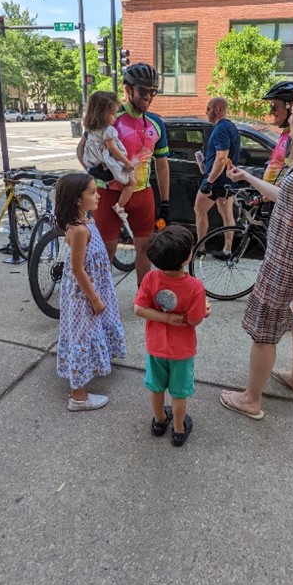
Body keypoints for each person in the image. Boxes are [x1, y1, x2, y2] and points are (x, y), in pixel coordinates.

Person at [219, 87, 293, 420]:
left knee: (264, 332)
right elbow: (285, 198)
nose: (292, 115)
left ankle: (251, 400)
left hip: (291, 267)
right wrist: (248, 177)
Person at [77, 64, 170, 285]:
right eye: (143, 91)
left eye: (153, 91)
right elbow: (82, 149)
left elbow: (162, 165)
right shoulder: (109, 116)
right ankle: (100, 297)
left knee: (145, 250)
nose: (148, 96)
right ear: (128, 89)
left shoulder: (157, 123)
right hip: (108, 193)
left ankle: (143, 296)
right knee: (105, 251)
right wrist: (90, 170)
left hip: (142, 194)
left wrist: (166, 202)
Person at [55, 172, 126, 411]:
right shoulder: (79, 230)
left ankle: (91, 368)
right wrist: (94, 299)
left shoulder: (86, 221)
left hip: (93, 288)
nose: (98, 196)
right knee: (82, 337)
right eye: (93, 192)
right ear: (78, 199)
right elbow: (77, 269)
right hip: (83, 295)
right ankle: (78, 396)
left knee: (90, 331)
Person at [134, 225, 208, 446]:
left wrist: (165, 318)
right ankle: (178, 429)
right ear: (187, 258)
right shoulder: (195, 287)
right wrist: (203, 311)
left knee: (156, 387)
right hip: (182, 350)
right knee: (179, 392)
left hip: (156, 346)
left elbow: (139, 309)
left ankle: (159, 421)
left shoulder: (150, 278)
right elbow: (194, 320)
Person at [194, 97, 240, 260]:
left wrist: (209, 181)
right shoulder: (232, 127)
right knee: (226, 214)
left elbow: (221, 158)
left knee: (199, 210)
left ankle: (200, 248)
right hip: (228, 180)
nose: (206, 112)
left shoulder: (221, 129)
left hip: (216, 181)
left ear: (217, 109)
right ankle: (227, 250)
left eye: (208, 109)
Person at [82, 91, 136, 224]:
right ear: (102, 114)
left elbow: (82, 150)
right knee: (131, 182)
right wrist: (127, 162)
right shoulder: (108, 130)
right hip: (110, 162)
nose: (115, 117)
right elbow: (113, 148)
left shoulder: (91, 130)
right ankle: (119, 206)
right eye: (113, 114)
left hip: (96, 164)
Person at [262, 80, 293, 188]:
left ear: (290, 107)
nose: (271, 112)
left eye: (275, 107)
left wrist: (265, 196)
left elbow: (290, 175)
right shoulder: (286, 133)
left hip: (278, 195)